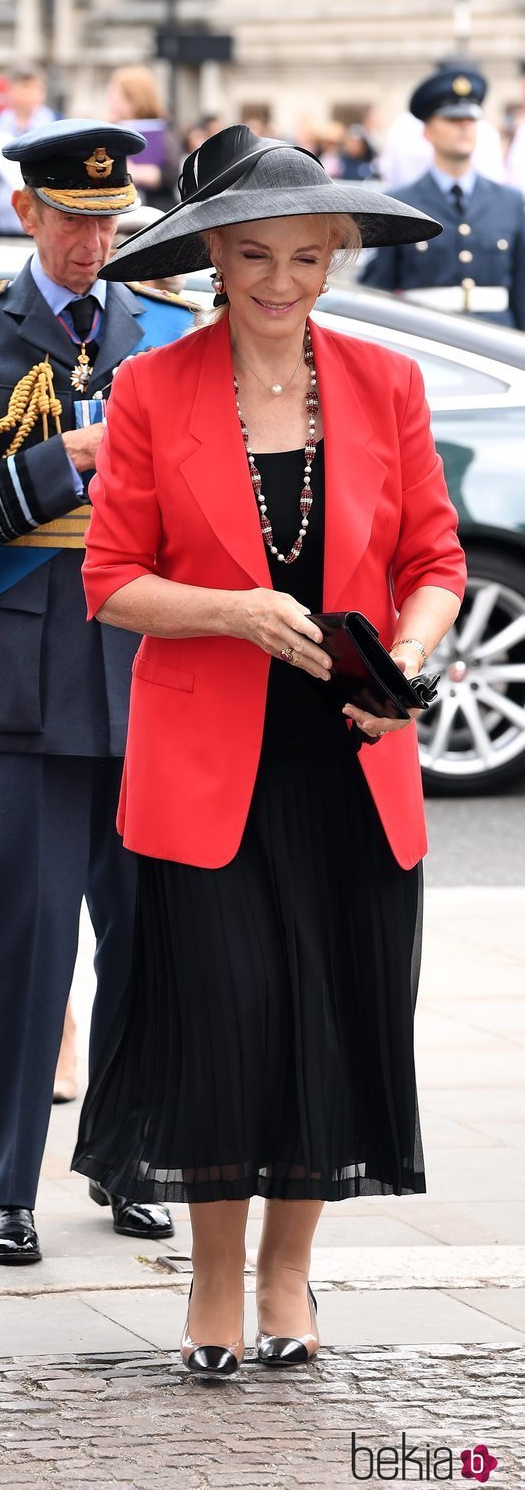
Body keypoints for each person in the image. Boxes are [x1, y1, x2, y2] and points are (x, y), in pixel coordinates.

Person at [72, 124, 466, 1377]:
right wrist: (231, 613)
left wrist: (406, 658)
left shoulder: (385, 387)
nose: (281, 281)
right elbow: (110, 582)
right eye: (254, 256)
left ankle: (289, 1277)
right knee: (225, 1023)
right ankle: (209, 1288)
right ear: (211, 261)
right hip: (205, 768)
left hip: (349, 761)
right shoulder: (151, 389)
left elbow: (435, 564)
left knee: (326, 1024)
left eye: (306, 256)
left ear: (335, 257)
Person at [0, 120, 199, 1265]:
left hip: (151, 667)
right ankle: (4, 1188)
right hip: (28, 664)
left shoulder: (171, 328)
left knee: (143, 935)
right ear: (26, 213)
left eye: (108, 221)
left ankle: (130, 1158)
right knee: (28, 939)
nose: (93, 240)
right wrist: (60, 464)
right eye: (72, 218)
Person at [361, 67, 525, 327]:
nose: (464, 126)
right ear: (428, 132)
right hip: (427, 340)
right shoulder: (400, 204)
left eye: (471, 119)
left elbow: (520, 293)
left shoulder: (510, 202)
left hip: (496, 343)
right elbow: (379, 289)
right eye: (452, 119)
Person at [0, 66, 55, 236]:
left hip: (44, 219)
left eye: (35, 88)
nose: (28, 95)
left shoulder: (55, 123)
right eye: (23, 87)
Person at [106, 65, 179, 212]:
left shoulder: (163, 130)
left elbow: (171, 175)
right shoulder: (107, 130)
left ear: (133, 99)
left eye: (115, 95)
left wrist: (136, 172)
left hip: (156, 208)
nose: (110, 101)